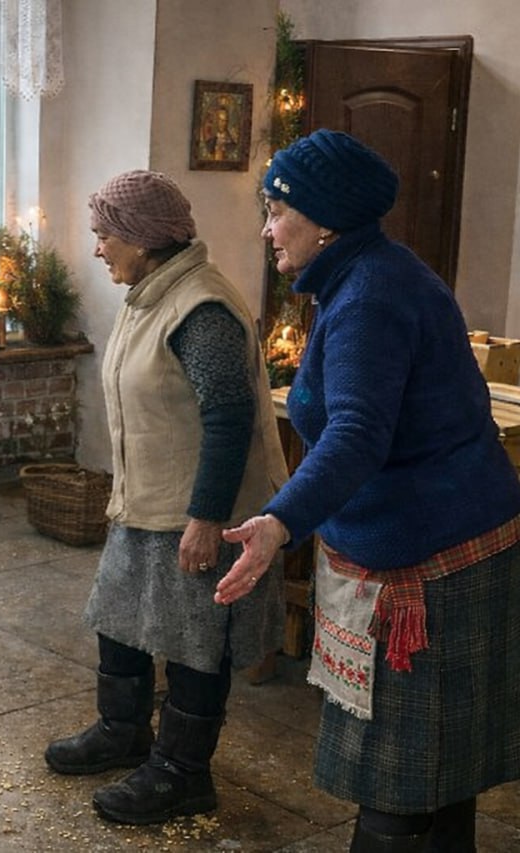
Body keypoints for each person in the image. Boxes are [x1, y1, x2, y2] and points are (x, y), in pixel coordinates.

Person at [219, 129, 520, 852]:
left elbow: (356, 433)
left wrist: (279, 521)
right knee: (442, 770)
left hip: (437, 559)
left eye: (276, 212)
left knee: (401, 775)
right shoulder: (366, 275)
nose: (266, 230)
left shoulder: (370, 296)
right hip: (448, 538)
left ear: (324, 220)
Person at [43, 170, 288, 825]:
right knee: (119, 619)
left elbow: (228, 419)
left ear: (144, 237)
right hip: (146, 503)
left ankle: (183, 773)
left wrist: (206, 519)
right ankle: (122, 731)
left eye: (105, 235)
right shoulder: (150, 295)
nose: (98, 248)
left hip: (198, 512)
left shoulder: (200, 308)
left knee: (194, 645)